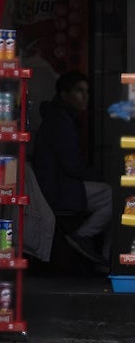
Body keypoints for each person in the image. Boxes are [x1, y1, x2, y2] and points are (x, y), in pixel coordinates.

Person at [31, 71, 113, 269]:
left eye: (87, 92)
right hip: (57, 188)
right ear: (64, 95)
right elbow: (72, 165)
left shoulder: (60, 118)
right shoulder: (60, 122)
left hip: (58, 184)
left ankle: (105, 257)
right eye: (79, 91)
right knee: (114, 196)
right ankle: (85, 238)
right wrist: (102, 177)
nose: (85, 97)